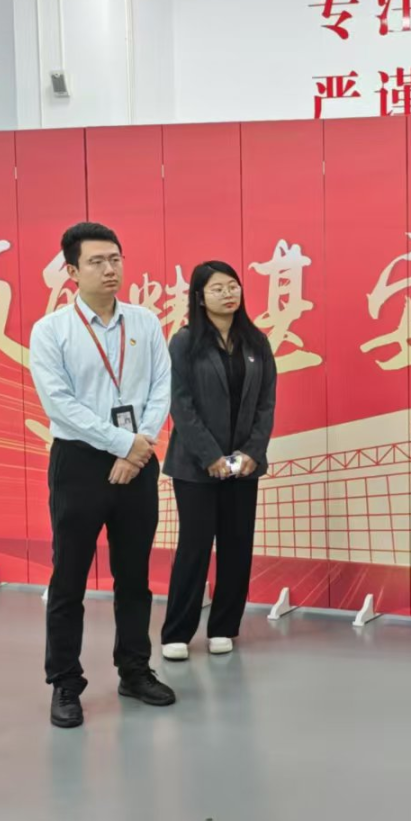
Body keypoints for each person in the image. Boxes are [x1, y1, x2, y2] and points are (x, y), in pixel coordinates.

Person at [28, 222, 176, 728]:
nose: (109, 269)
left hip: (138, 459)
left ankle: (134, 670)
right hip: (80, 462)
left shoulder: (145, 322)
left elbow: (161, 387)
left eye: (115, 259)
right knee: (69, 578)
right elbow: (59, 404)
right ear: (72, 271)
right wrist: (122, 443)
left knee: (134, 576)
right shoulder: (52, 330)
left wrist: (140, 446)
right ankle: (65, 682)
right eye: (96, 261)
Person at [162, 261, 277, 660]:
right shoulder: (184, 342)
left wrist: (252, 453)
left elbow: (266, 403)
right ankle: (177, 632)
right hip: (196, 466)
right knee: (194, 546)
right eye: (218, 288)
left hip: (244, 466)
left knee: (237, 545)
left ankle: (224, 627)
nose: (228, 294)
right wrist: (210, 455)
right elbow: (181, 404)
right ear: (199, 297)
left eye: (233, 286)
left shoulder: (256, 342)